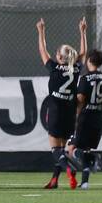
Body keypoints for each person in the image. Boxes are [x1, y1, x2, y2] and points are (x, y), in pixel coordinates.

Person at [37, 16, 87, 189]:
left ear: (59, 56)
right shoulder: (77, 68)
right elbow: (83, 53)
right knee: (61, 148)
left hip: (56, 111)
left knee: (55, 150)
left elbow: (43, 51)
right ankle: (54, 180)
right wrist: (82, 32)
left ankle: (69, 170)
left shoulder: (54, 67)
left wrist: (41, 31)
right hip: (70, 112)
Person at [70, 47, 102, 189]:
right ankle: (85, 182)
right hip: (100, 118)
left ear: (89, 60)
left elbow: (81, 99)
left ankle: (93, 159)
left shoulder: (85, 78)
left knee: (73, 151)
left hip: (86, 117)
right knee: (87, 149)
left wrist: (76, 112)